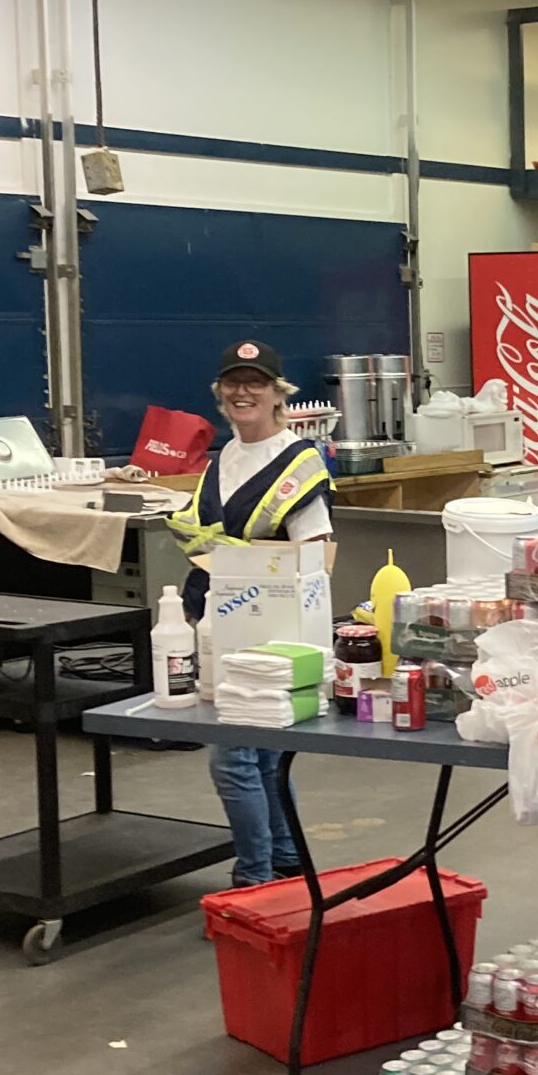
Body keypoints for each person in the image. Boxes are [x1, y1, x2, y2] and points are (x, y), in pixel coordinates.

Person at [174, 339, 334, 886]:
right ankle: (286, 864)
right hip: (217, 623)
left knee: (232, 759)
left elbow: (319, 557)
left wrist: (239, 562)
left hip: (272, 631)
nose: (244, 392)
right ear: (220, 393)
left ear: (277, 394)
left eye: (256, 383)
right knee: (263, 758)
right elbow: (203, 536)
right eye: (233, 383)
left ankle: (252, 879)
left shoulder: (298, 463)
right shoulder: (221, 459)